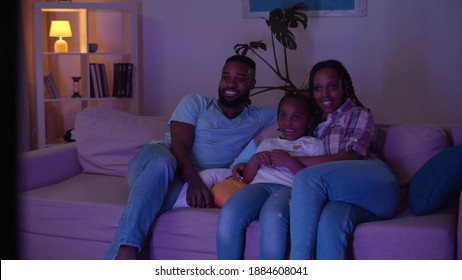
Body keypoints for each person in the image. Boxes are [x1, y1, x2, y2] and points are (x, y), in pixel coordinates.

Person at [104, 55, 276, 260]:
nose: (231, 83)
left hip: (180, 185)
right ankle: (126, 251)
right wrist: (195, 182)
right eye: (226, 76)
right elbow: (179, 145)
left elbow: (298, 108)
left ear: (252, 84)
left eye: (240, 78)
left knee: (152, 199)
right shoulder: (196, 103)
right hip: (157, 160)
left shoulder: (259, 117)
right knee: (164, 161)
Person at [289, 59, 400, 260]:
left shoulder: (358, 114)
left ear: (344, 86)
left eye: (332, 87)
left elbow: (351, 155)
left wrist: (292, 160)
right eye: (317, 88)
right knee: (330, 220)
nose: (324, 95)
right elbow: (284, 137)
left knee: (306, 179)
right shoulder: (315, 124)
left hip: (376, 185)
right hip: (346, 199)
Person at [216, 93, 326, 260]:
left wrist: (289, 162)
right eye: (283, 116)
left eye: (296, 117)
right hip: (260, 185)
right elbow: (248, 178)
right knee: (230, 212)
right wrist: (254, 160)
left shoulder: (313, 144)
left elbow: (313, 181)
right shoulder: (268, 143)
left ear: (310, 121)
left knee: (272, 216)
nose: (288, 122)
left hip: (288, 188)